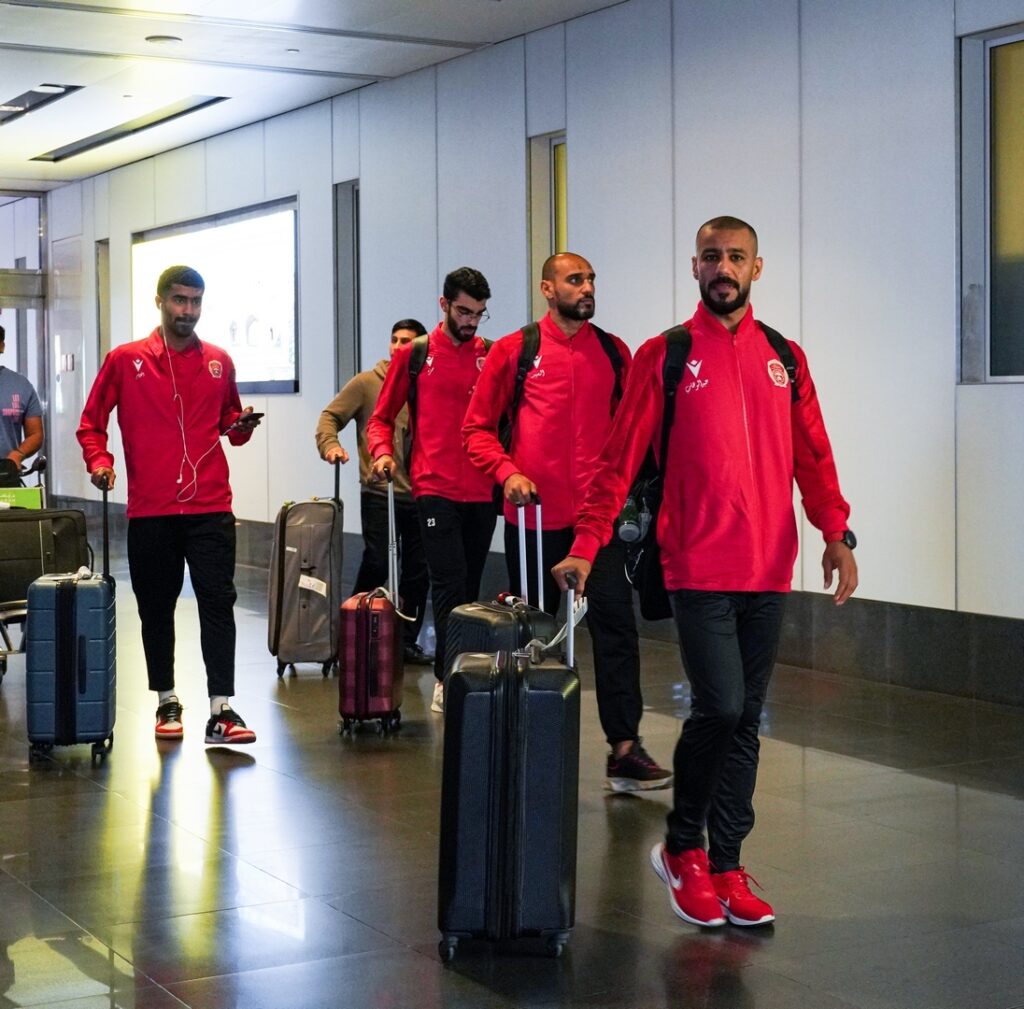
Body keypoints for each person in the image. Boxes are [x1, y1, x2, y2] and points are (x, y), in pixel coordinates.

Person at [552, 217, 859, 928]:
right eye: (712, 257)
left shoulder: (785, 357)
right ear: (695, 266)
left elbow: (813, 454)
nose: (724, 268)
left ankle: (727, 861)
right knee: (719, 706)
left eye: (737, 257)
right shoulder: (665, 355)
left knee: (745, 718)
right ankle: (682, 847)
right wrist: (587, 544)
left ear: (757, 267)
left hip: (769, 567)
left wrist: (835, 532)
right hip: (695, 563)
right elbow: (618, 462)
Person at [463, 252, 672, 792]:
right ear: (547, 289)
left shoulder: (615, 352)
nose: (586, 287)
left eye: (591, 279)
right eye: (575, 279)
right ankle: (525, 743)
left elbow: (635, 431)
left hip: (598, 525)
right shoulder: (516, 350)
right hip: (534, 520)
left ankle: (624, 750)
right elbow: (476, 430)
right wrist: (507, 472)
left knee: (616, 629)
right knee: (534, 635)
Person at [77, 265, 264, 745]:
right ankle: (166, 700)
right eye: (180, 300)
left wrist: (239, 425)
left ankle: (222, 710)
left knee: (218, 603)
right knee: (156, 608)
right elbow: (91, 423)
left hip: (210, 507)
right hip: (152, 510)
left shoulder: (219, 361)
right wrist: (100, 461)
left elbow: (228, 423)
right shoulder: (125, 360)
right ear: (159, 301)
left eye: (196, 301)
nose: (188, 310)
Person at [367, 268, 496, 714]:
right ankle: (447, 676)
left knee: (471, 585)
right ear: (444, 305)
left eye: (479, 313)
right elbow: (381, 418)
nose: (471, 321)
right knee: (448, 582)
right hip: (433, 485)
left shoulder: (492, 355)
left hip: (482, 487)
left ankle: (462, 668)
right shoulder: (416, 355)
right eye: (463, 311)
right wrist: (383, 453)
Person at [315, 319, 431, 664]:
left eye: (406, 341)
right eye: (394, 339)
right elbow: (329, 416)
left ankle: (406, 641)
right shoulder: (367, 383)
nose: (398, 347)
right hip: (380, 490)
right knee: (377, 561)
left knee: (417, 570)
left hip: (422, 493)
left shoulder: (429, 382)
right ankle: (353, 632)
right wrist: (330, 446)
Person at [0, 322, 44, 468]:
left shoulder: (21, 385)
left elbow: (36, 434)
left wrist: (18, 454)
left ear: (2, 346)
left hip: (6, 474)